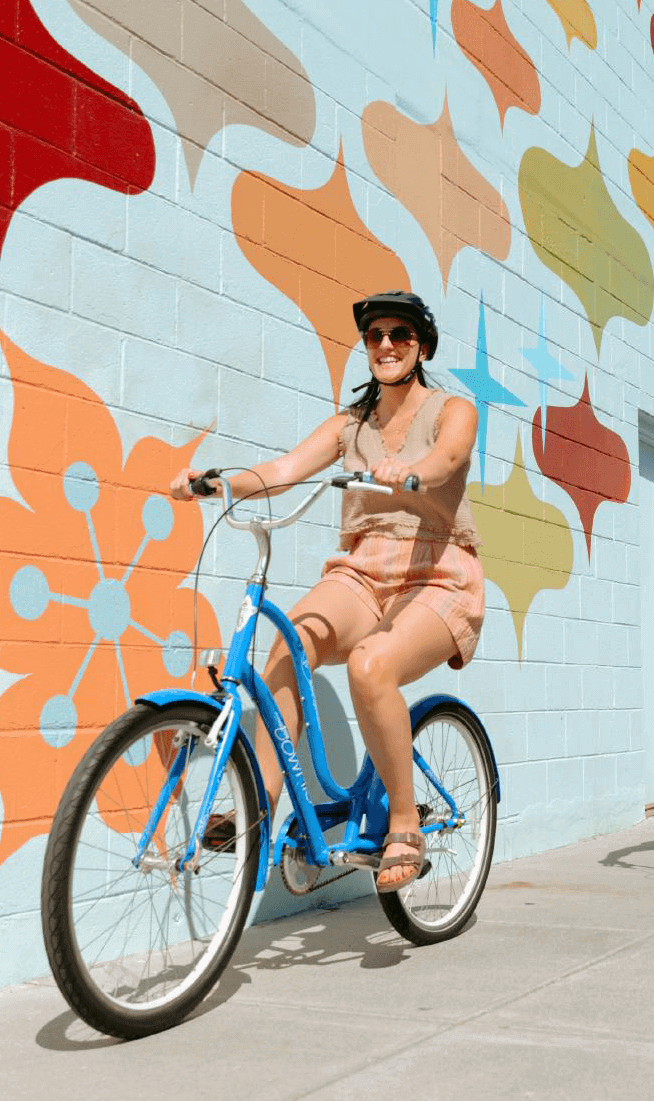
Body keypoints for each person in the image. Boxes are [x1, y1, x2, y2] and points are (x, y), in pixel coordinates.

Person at [171, 290, 483, 891]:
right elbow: (285, 470)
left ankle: (404, 822)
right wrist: (215, 484)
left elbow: (450, 457)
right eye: (375, 337)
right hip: (363, 570)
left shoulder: (452, 409)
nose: (387, 345)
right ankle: (256, 806)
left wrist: (412, 473)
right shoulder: (351, 424)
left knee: (371, 666)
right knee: (288, 642)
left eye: (400, 335)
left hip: (437, 570)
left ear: (422, 346)